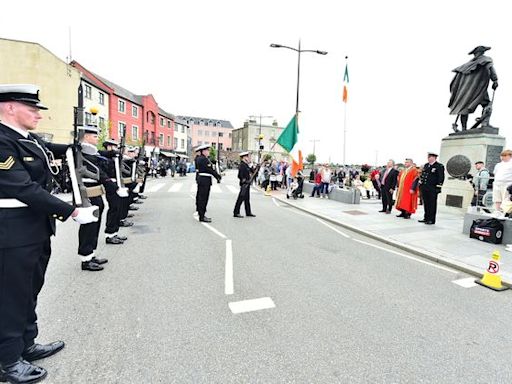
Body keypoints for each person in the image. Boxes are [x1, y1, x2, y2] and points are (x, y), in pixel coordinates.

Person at [0, 84, 98, 384]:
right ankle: (7, 362)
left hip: (34, 228)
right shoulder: (2, 142)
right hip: (12, 231)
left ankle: (25, 345)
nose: (38, 115)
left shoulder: (27, 139)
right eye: (32, 109)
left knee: (29, 291)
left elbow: (59, 151)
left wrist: (78, 145)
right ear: (9, 107)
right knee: (11, 297)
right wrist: (71, 211)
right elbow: (22, 188)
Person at [77, 126, 114, 271]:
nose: (97, 139)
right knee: (89, 226)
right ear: (85, 137)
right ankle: (85, 258)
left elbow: (101, 155)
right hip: (87, 192)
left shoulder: (91, 152)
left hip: (95, 192)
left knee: (95, 225)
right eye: (94, 136)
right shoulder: (81, 151)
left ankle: (90, 254)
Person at [449, 46, 498, 131]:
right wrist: (495, 80)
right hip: (479, 90)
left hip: (467, 92)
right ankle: (484, 123)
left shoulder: (467, 65)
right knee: (486, 104)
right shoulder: (485, 60)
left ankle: (464, 128)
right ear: (482, 52)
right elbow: (491, 70)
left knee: (464, 107)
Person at [99, 139, 128, 244]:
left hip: (118, 184)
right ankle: (109, 234)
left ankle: (114, 232)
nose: (114, 149)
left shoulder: (115, 157)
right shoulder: (103, 156)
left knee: (117, 209)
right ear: (108, 147)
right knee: (113, 209)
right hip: (111, 185)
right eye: (112, 147)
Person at [195, 144, 221, 222]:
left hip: (202, 179)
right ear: (203, 151)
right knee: (203, 198)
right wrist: (217, 176)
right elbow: (210, 170)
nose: (208, 152)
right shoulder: (203, 159)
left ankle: (201, 214)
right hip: (204, 180)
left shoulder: (201, 158)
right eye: (207, 150)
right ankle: (202, 216)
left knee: (201, 197)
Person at [418, 152, 445, 225]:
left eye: (430, 157)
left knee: (432, 204)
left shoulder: (439, 166)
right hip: (425, 187)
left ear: (434, 158)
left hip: (433, 188)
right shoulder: (426, 165)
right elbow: (423, 175)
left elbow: (441, 178)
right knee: (426, 203)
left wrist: (438, 188)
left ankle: (431, 219)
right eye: (428, 157)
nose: (428, 158)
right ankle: (426, 217)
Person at [233, 151, 256, 218]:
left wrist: (257, 167)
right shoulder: (242, 165)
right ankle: (236, 212)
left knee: (247, 199)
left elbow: (253, 172)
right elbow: (239, 175)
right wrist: (244, 180)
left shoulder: (246, 165)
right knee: (240, 198)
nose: (249, 158)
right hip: (244, 184)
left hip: (247, 184)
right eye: (247, 157)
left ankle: (248, 212)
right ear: (244, 157)